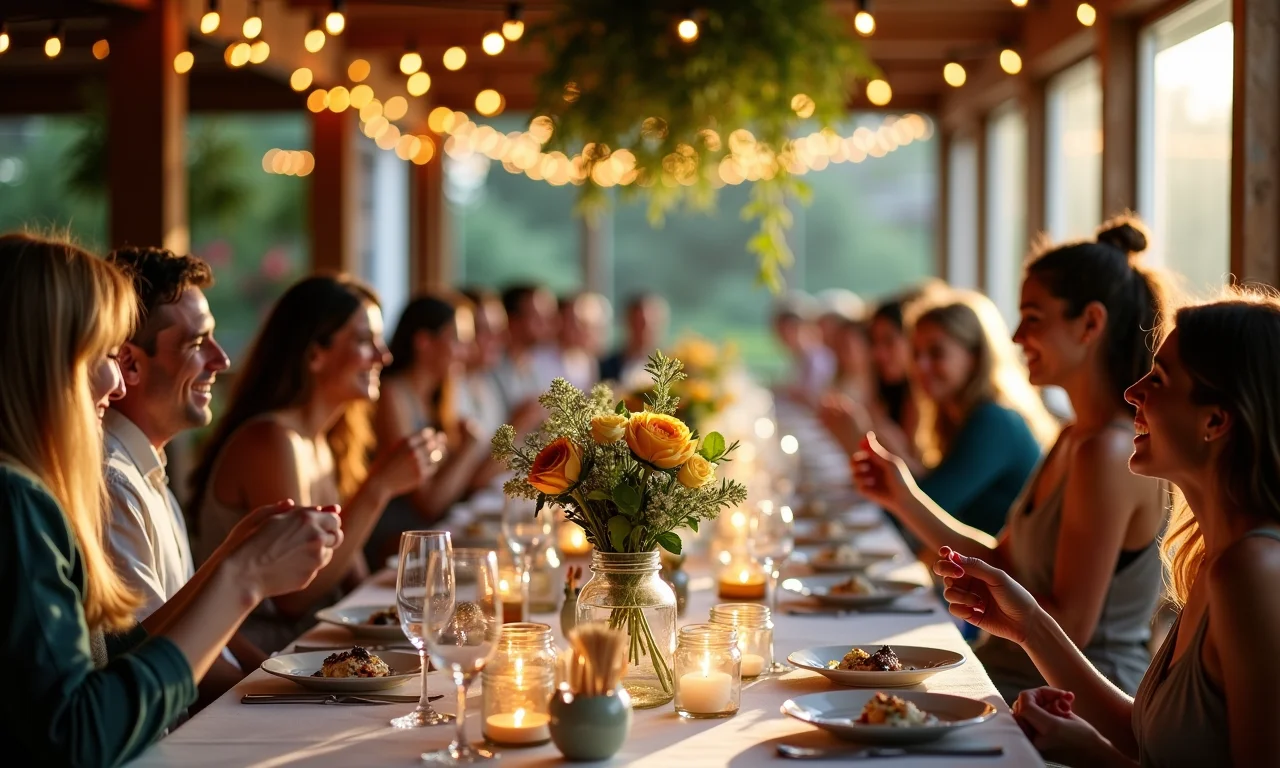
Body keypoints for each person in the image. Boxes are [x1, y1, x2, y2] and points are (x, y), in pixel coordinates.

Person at [0, 233, 340, 766]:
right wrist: (242, 578)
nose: (114, 383)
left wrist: (231, 562)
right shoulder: (18, 502)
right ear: (41, 361)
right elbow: (77, 736)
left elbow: (113, 658)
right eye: (102, 353)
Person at [934, 289, 1280, 767]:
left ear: (1216, 420)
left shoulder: (1251, 570)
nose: (1132, 391)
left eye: (1158, 379)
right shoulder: (1211, 556)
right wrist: (1030, 626)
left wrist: (1093, 756)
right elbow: (1146, 738)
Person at [853, 219, 1168, 700]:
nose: (1017, 335)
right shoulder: (1071, 437)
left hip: (1068, 704)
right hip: (1008, 672)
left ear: (1090, 324)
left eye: (1034, 317)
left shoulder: (1108, 451)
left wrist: (977, 604)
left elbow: (1071, 630)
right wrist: (903, 496)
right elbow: (1004, 559)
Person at [191, 274, 442, 653]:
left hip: (311, 642)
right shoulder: (271, 441)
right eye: (364, 341)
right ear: (314, 354)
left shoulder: (324, 440)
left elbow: (350, 574)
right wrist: (379, 488)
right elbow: (296, 596)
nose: (384, 356)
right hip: (263, 652)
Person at [101, 246, 266, 708]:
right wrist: (285, 692)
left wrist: (294, 675)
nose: (221, 360)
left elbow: (206, 628)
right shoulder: (114, 483)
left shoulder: (147, 468)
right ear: (131, 364)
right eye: (196, 344)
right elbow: (156, 657)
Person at [366, 294, 493, 561]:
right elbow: (429, 504)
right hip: (395, 545)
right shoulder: (392, 395)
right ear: (424, 342)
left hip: (429, 537)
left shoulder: (437, 398)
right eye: (457, 340)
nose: (466, 352)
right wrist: (470, 447)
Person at [493, 283, 562, 412]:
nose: (550, 323)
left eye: (550, 315)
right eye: (539, 316)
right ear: (511, 320)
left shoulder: (532, 364)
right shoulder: (491, 366)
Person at [599, 292, 669, 389]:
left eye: (652, 323)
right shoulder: (606, 366)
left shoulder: (671, 366)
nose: (644, 329)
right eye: (639, 322)